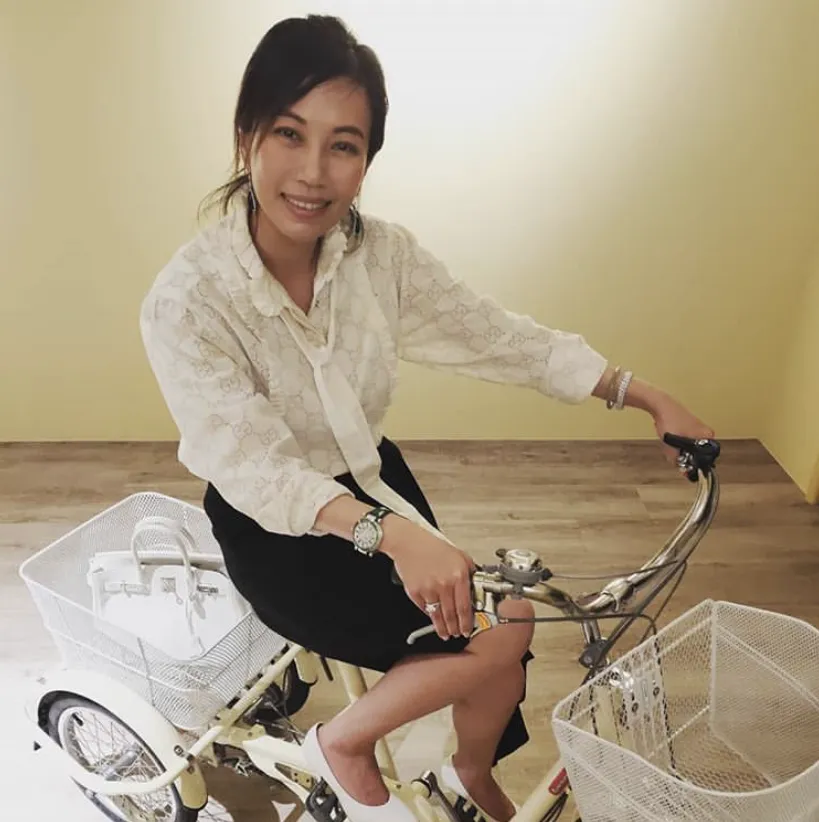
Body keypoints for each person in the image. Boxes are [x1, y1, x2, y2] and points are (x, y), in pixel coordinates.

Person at [140, 14, 714, 822]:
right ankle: (341, 741)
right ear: (246, 138)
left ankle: (467, 771)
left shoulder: (381, 256)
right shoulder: (187, 301)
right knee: (495, 633)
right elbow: (255, 470)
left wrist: (642, 393)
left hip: (375, 484)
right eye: (289, 134)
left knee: (507, 617)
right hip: (278, 534)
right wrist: (395, 537)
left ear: (367, 160)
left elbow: (493, 335)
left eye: (343, 145)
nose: (313, 173)